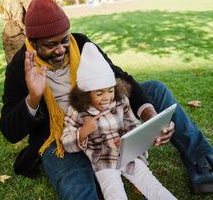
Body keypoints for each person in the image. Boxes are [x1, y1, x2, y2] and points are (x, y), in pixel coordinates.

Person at [0, 0, 213, 198]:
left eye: (64, 40)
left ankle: (202, 161)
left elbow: (119, 77)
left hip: (106, 114)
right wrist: (33, 99)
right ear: (33, 42)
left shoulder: (80, 44)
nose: (60, 50)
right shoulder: (20, 67)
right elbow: (9, 130)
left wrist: (149, 116)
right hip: (61, 137)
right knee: (77, 189)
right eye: (50, 45)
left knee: (155, 89)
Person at [60, 42, 177, 200]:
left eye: (110, 90)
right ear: (86, 93)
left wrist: (135, 139)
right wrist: (84, 131)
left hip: (127, 154)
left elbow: (132, 124)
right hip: (103, 161)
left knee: (152, 185)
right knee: (114, 193)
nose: (107, 97)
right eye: (99, 93)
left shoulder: (120, 101)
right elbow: (66, 143)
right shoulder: (77, 111)